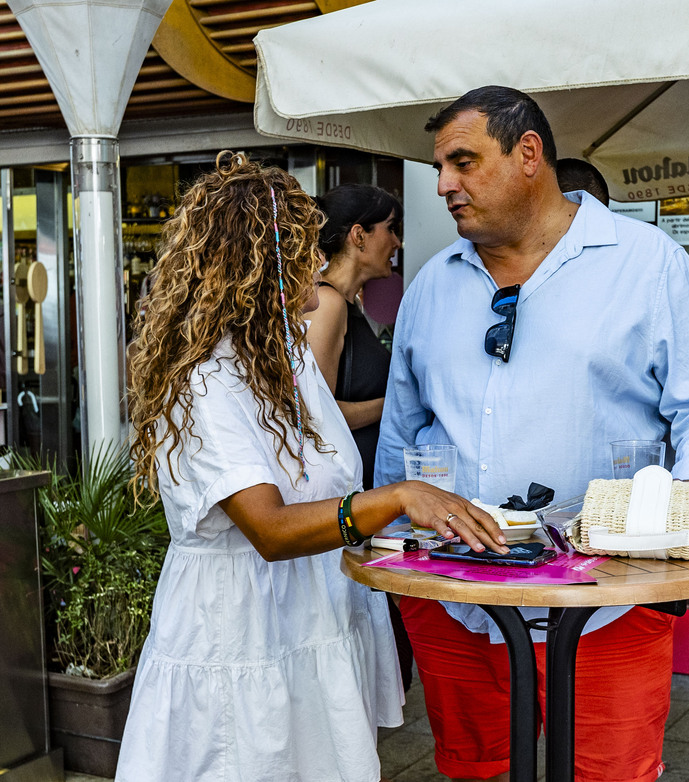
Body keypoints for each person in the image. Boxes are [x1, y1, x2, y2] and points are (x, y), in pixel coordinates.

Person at [376, 85, 689, 782]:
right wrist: (401, 580)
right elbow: (401, 435)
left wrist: (681, 508)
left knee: (609, 775)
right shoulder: (431, 285)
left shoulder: (645, 263)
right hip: (457, 600)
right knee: (475, 772)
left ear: (528, 154)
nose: (443, 186)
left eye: (463, 162)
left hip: (608, 601)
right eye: (440, 168)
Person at [117, 152, 507, 782]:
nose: (317, 262)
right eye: (302, 249)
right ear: (257, 267)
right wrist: (398, 499)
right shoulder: (204, 381)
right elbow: (269, 529)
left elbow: (325, 484)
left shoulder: (286, 364)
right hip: (240, 637)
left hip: (310, 622)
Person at [307, 184, 401, 491]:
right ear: (359, 235)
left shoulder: (347, 303)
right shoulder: (327, 304)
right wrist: (397, 403)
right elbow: (315, 412)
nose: (397, 242)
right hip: (342, 495)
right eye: (390, 229)